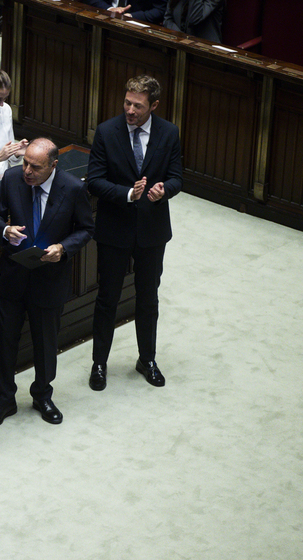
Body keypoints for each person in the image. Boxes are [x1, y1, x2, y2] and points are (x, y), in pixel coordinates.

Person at [0, 138, 93, 428]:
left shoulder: (73, 188)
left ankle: (42, 394)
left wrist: (63, 248)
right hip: (14, 276)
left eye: (36, 167)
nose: (27, 171)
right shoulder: (12, 177)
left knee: (46, 343)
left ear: (53, 166)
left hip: (49, 279)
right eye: (25, 163)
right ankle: (4, 400)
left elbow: (85, 229)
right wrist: (5, 230)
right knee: (5, 342)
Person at [87, 75, 182, 391]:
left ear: (153, 105)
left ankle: (147, 359)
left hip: (151, 231)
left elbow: (177, 177)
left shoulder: (168, 133)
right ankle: (99, 363)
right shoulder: (106, 131)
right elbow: (95, 181)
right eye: (127, 102)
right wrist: (128, 194)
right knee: (107, 298)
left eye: (137, 106)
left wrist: (163, 190)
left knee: (148, 298)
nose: (129, 110)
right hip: (115, 229)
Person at [84, 0, 166, 24]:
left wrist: (131, 16)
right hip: (102, 17)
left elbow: (160, 10)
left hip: (135, 28)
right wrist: (109, 8)